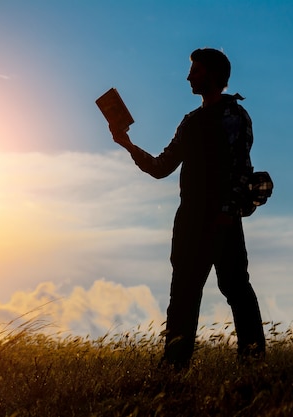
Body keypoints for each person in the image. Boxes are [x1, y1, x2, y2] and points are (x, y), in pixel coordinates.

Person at [109, 48, 265, 368]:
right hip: (190, 222)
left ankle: (253, 362)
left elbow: (241, 167)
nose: (188, 76)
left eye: (194, 70)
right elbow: (161, 166)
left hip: (223, 219)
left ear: (211, 74)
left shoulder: (233, 115)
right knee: (182, 295)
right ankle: (173, 368)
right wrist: (126, 144)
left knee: (235, 289)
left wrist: (226, 211)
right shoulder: (190, 121)